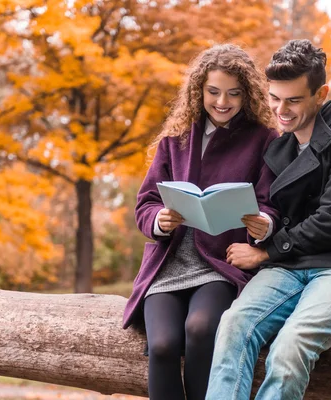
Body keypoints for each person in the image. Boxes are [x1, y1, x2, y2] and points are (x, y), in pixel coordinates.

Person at [205, 39, 331, 400]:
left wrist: (267, 252)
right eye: (274, 98)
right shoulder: (280, 146)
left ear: (321, 94)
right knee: (232, 324)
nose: (280, 110)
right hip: (290, 266)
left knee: (290, 346)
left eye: (293, 100)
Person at [122, 44, 280, 400]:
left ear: (248, 94)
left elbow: (273, 204)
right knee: (161, 345)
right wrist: (160, 220)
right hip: (168, 265)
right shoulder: (174, 140)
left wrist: (264, 224)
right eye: (213, 92)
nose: (222, 101)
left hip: (220, 265)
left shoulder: (264, 139)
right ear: (199, 91)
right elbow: (146, 203)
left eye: (233, 93)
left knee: (200, 328)